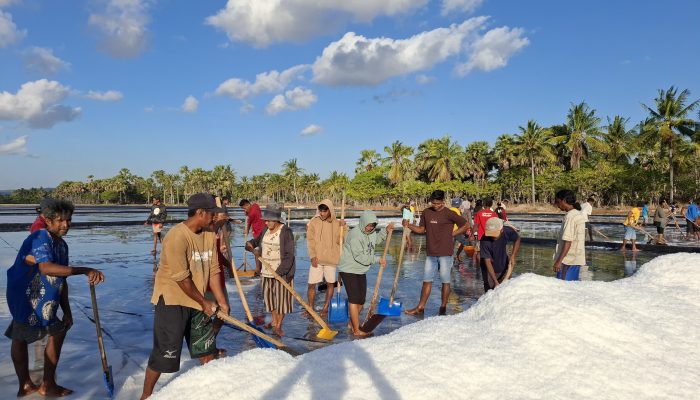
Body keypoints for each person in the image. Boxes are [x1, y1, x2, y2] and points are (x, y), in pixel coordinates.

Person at [6, 198, 105, 397]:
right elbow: (46, 267)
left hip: (45, 293)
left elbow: (61, 277)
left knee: (54, 331)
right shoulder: (41, 236)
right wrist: (85, 270)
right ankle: (32, 385)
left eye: (68, 220)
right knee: (22, 334)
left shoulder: (61, 245)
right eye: (60, 221)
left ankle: (41, 384)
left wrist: (67, 310)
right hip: (26, 294)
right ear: (48, 220)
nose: (66, 225)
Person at [140, 193, 229, 400]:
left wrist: (222, 301)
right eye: (212, 214)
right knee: (165, 355)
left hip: (198, 300)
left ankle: (209, 393)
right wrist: (204, 302)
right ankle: (145, 395)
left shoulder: (209, 233)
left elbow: (214, 269)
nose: (215, 218)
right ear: (200, 213)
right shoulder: (176, 237)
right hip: (173, 300)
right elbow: (182, 278)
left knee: (207, 350)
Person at [403, 190, 468, 316]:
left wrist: (453, 234)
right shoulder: (427, 212)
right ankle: (420, 307)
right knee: (427, 280)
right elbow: (422, 229)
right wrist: (409, 225)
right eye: (433, 203)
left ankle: (442, 307)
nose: (436, 205)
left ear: (443, 202)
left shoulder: (449, 213)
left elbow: (466, 225)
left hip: (445, 252)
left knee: (445, 281)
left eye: (438, 203)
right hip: (431, 253)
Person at [337, 211, 393, 337]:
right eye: (368, 226)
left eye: (372, 226)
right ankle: (357, 330)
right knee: (354, 299)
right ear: (363, 223)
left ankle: (352, 323)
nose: (370, 228)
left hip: (360, 269)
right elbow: (359, 257)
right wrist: (377, 260)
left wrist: (385, 231)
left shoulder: (371, 233)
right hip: (348, 268)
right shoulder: (355, 235)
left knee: (361, 300)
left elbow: (375, 240)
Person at [245, 203, 295, 337]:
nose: (266, 222)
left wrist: (279, 273)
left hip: (282, 273)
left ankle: (278, 325)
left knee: (281, 301)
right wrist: (250, 245)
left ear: (277, 220)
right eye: (265, 220)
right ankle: (274, 321)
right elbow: (255, 242)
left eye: (269, 220)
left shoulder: (286, 232)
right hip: (266, 272)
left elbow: (289, 255)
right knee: (270, 300)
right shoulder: (265, 230)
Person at [305, 200, 343, 316]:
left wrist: (344, 228)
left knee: (330, 283)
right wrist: (312, 256)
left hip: (331, 259)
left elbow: (341, 240)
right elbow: (310, 241)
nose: (322, 213)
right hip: (317, 259)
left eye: (324, 211)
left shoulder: (337, 223)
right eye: (320, 211)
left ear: (330, 210)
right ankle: (310, 308)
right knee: (311, 284)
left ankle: (325, 308)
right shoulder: (314, 222)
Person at [552, 189, 586, 280]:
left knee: (563, 288)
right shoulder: (578, 214)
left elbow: (568, 241)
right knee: (570, 288)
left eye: (558, 202)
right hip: (575, 259)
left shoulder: (570, 217)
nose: (557, 205)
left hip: (567, 261)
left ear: (564, 201)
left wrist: (559, 261)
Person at [479, 217, 521, 292]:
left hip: (503, 265)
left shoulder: (507, 231)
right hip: (489, 270)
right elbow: (487, 261)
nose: (492, 236)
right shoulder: (484, 240)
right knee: (490, 293)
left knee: (506, 291)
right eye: (490, 233)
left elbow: (517, 239)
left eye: (494, 233)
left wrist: (513, 255)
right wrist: (495, 281)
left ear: (501, 230)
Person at [240, 199, 266, 275]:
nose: (244, 210)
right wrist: (246, 212)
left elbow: (248, 223)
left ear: (247, 205)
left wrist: (246, 231)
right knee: (259, 251)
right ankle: (259, 269)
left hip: (259, 233)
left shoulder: (252, 214)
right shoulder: (255, 205)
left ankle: (258, 270)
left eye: (244, 208)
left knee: (255, 250)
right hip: (261, 231)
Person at [450, 198, 470, 263]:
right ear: (460, 205)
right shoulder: (457, 211)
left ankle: (451, 258)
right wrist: (465, 233)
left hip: (449, 231)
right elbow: (460, 223)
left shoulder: (449, 210)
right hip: (455, 232)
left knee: (451, 247)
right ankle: (457, 255)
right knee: (465, 242)